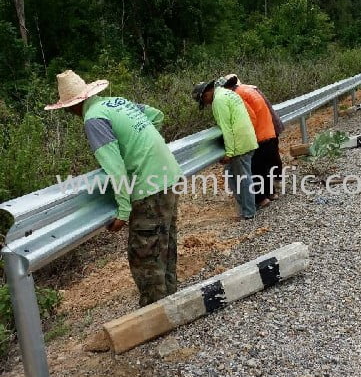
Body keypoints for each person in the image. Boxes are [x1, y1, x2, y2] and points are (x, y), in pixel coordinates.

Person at [45, 70, 181, 307]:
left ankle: (157, 310)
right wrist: (142, 146)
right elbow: (157, 116)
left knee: (145, 253)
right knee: (165, 242)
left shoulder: (93, 120)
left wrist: (123, 211)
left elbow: (115, 168)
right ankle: (171, 297)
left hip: (148, 186)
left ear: (71, 105)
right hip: (169, 175)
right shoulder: (116, 102)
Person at [192, 79, 257, 219]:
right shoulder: (228, 93)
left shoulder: (219, 101)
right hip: (246, 139)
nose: (207, 103)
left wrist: (229, 152)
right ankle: (248, 208)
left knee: (242, 178)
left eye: (204, 99)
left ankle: (248, 212)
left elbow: (226, 128)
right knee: (233, 174)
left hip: (239, 144)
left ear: (207, 93)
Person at [221, 75, 284, 202]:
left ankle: (261, 198)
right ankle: (271, 193)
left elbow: (250, 117)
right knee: (264, 166)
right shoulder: (249, 89)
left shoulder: (237, 95)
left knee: (256, 168)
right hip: (269, 130)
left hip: (259, 134)